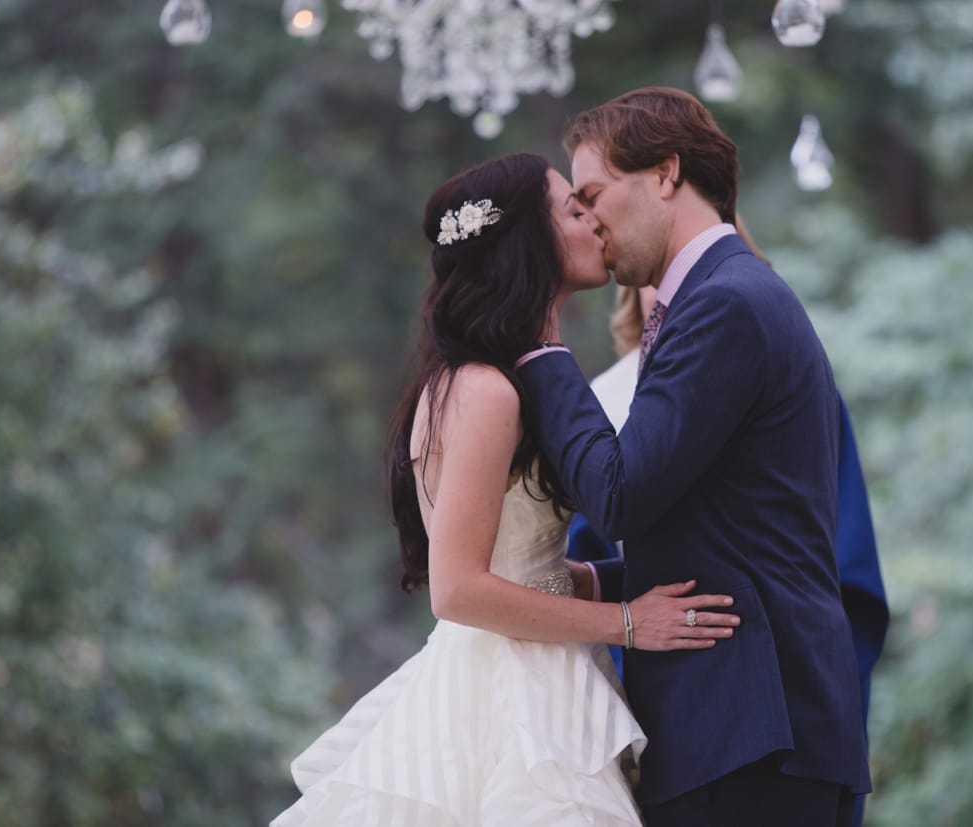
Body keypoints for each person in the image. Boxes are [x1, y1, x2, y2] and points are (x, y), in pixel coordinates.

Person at [271, 152, 741, 827]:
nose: (594, 220)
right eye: (573, 209)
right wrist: (630, 624)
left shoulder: (498, 381)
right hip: (508, 694)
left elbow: (520, 561)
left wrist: (593, 581)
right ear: (530, 241)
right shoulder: (485, 391)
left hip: (534, 667)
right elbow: (458, 589)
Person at [516, 88, 871, 826]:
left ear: (667, 173)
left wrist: (543, 348)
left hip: (753, 734)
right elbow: (730, 533)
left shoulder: (724, 304)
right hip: (748, 730)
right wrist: (584, 580)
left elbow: (617, 495)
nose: (587, 221)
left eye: (594, 194)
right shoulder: (722, 298)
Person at [569, 277, 889, 827]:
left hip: (789, 706)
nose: (668, 295)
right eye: (653, 282)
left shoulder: (793, 383)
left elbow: (840, 556)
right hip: (652, 704)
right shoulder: (600, 406)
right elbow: (584, 557)